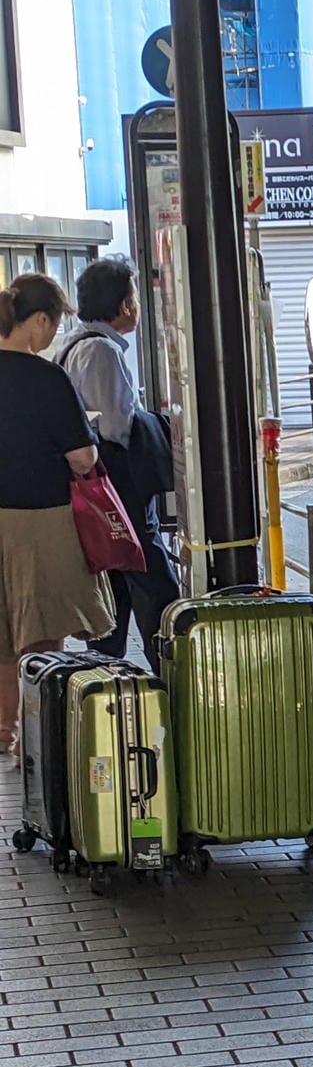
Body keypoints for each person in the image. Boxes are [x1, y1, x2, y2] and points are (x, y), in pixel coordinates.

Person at [0, 274, 114, 756]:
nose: (52, 336)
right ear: (38, 320)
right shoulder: (45, 378)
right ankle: (43, 737)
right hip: (40, 518)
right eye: (53, 324)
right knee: (43, 632)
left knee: (3, 633)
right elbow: (83, 458)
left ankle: (2, 733)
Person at [57, 256, 178, 669]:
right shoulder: (100, 352)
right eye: (135, 298)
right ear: (124, 305)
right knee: (153, 578)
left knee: (117, 581)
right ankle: (169, 663)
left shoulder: (76, 344)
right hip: (119, 486)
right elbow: (115, 425)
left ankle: (109, 665)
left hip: (102, 485)